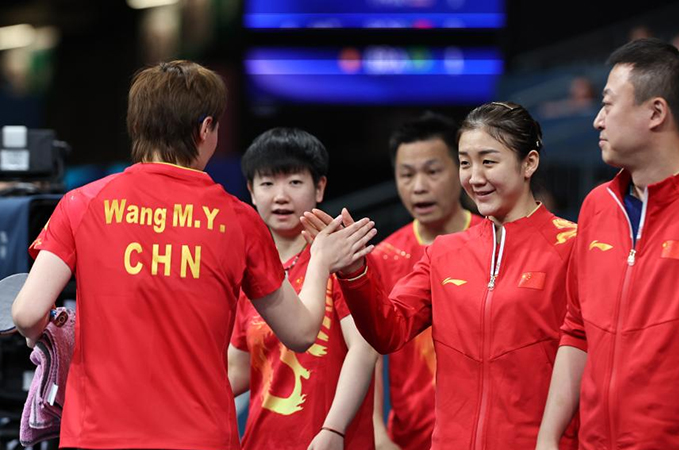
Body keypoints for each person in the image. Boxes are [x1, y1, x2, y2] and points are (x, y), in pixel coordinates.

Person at [10, 60, 374, 450]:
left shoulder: (82, 203)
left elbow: (27, 313)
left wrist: (51, 342)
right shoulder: (238, 220)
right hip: (200, 439)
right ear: (205, 129)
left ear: (137, 126)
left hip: (95, 436)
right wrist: (320, 260)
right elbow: (301, 334)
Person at [536, 39, 679, 450]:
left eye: (608, 104)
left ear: (656, 112)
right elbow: (577, 331)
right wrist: (547, 437)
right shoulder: (596, 206)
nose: (597, 120)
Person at [304, 101, 579, 449]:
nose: (474, 177)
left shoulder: (571, 244)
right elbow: (388, 331)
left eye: (488, 161)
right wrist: (354, 271)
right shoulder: (445, 252)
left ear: (529, 163)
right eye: (465, 162)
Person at [228, 127, 378, 450]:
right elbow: (238, 368)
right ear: (251, 191)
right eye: (267, 183)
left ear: (319, 187)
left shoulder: (343, 258)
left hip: (329, 442)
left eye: (294, 182)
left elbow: (364, 349)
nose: (280, 195)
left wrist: (333, 430)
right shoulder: (248, 273)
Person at [371, 112, 481, 450]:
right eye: (407, 174)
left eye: (433, 172)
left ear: (461, 170)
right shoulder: (383, 257)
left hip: (482, 434)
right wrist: (377, 430)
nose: (419, 186)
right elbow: (369, 352)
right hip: (408, 440)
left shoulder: (493, 241)